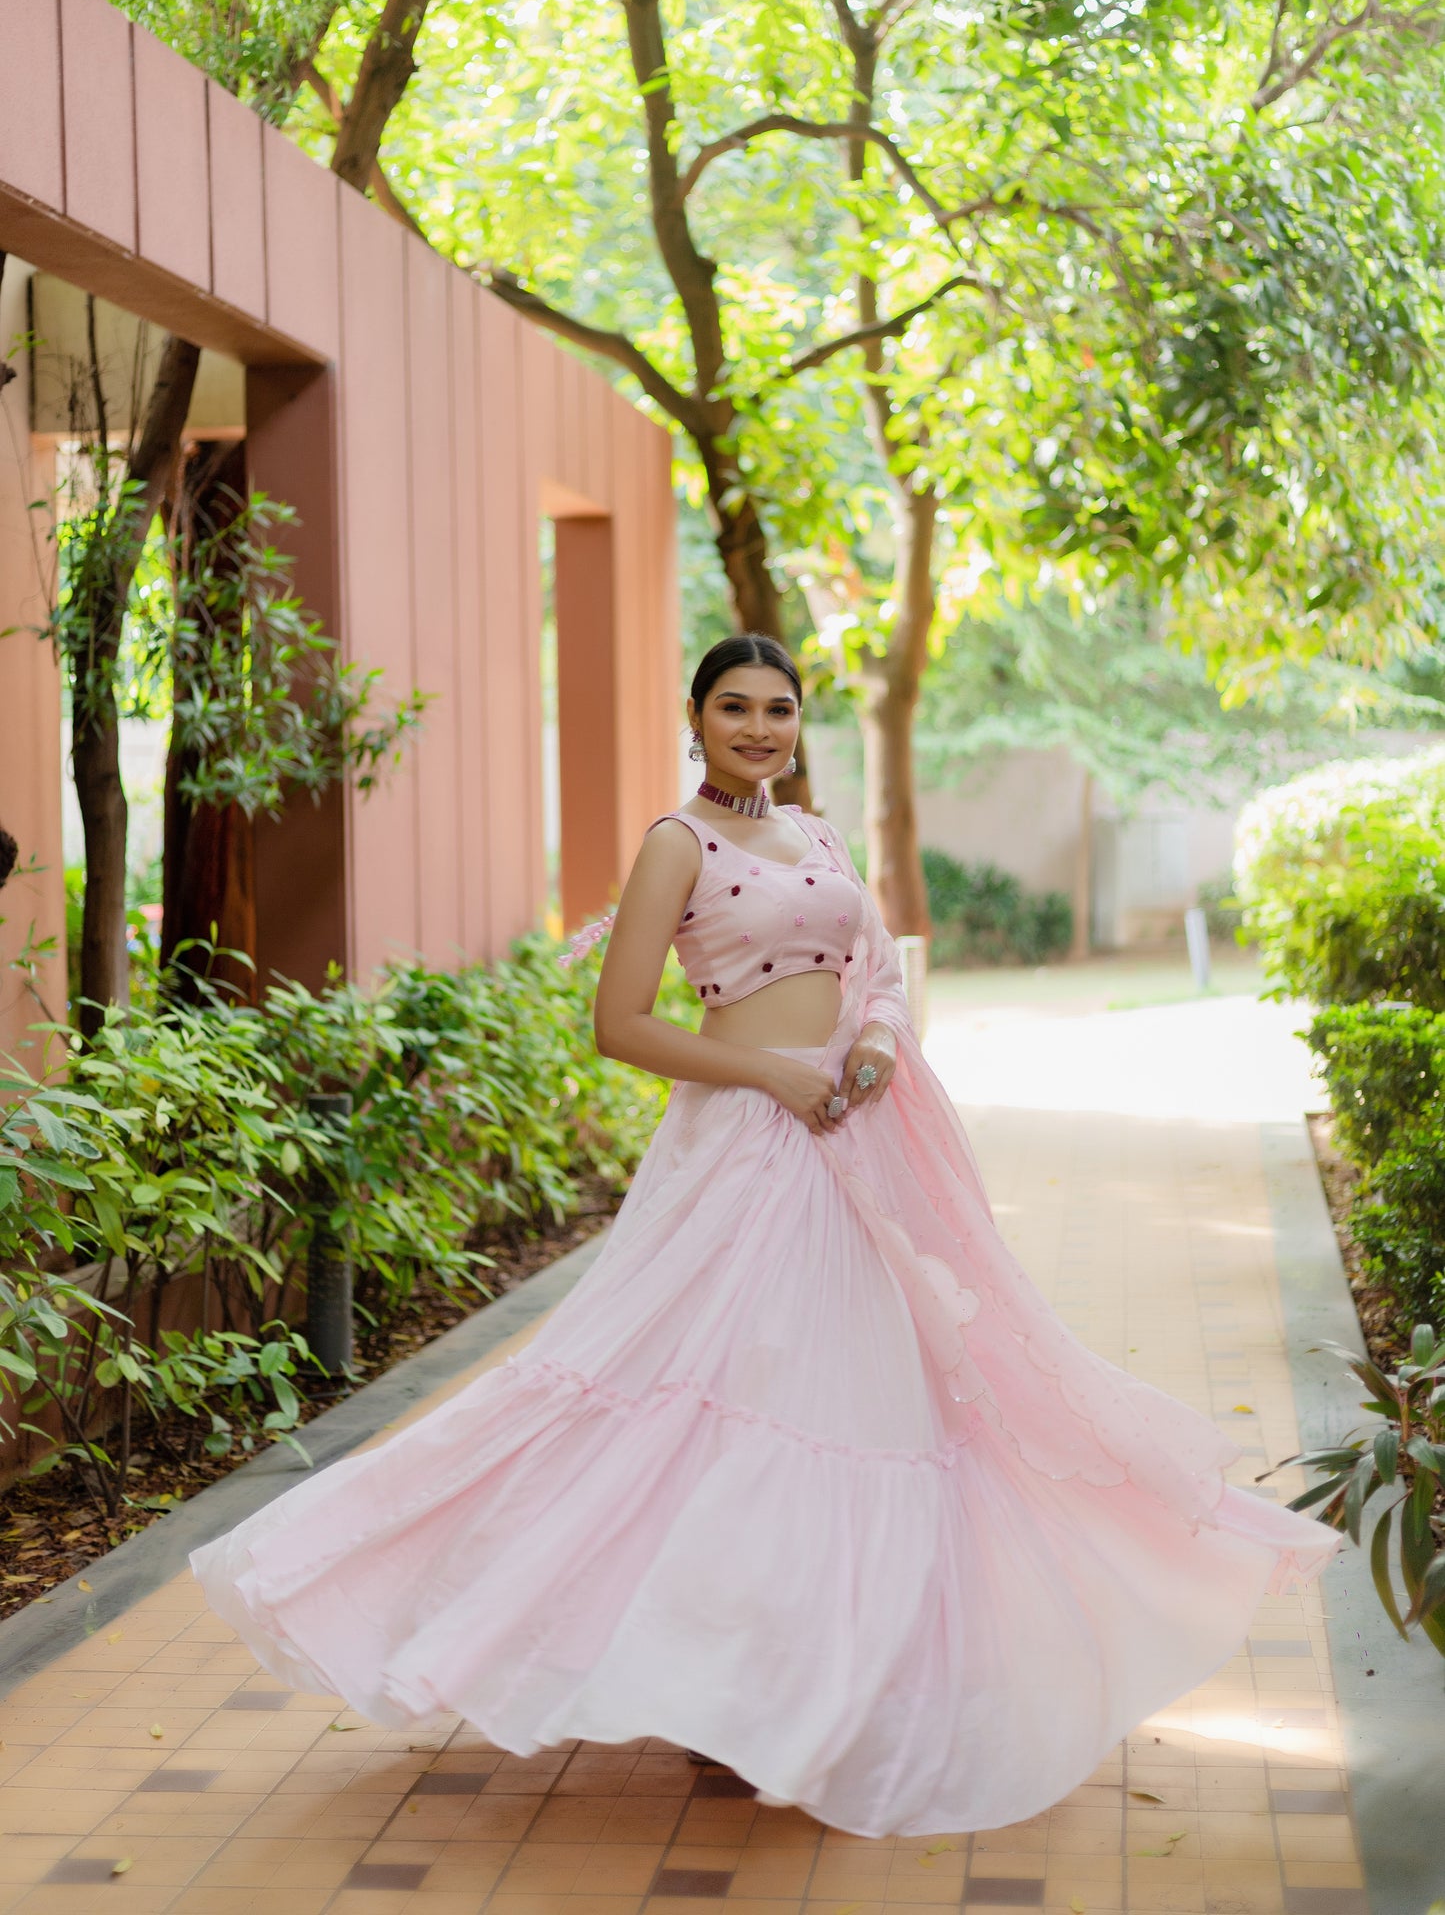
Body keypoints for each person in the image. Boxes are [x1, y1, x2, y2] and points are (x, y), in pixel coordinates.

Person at [191, 632, 1337, 1837]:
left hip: (859, 1142)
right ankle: (715, 1688)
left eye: (777, 708)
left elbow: (874, 967)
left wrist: (879, 1035)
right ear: (695, 718)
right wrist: (772, 1080)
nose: (757, 726)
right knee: (719, 1398)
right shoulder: (678, 843)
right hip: (743, 1150)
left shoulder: (820, 833)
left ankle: (808, 1676)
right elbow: (618, 1023)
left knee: (863, 1398)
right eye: (732, 706)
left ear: (798, 722)